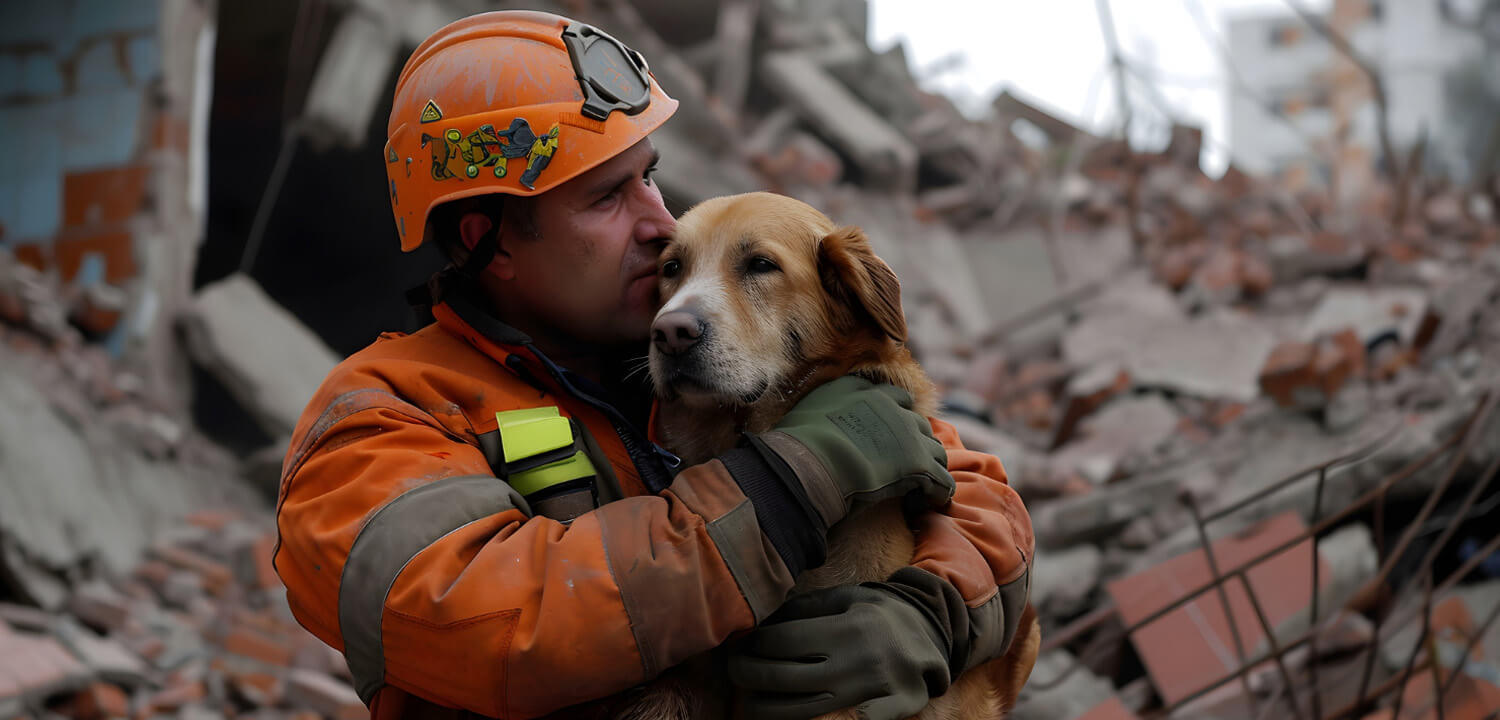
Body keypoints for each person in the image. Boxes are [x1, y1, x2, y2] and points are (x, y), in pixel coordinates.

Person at [274, 10, 1033, 720]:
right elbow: (485, 620)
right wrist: (785, 488)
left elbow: (976, 498)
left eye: (649, 175)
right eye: (608, 198)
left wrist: (934, 608)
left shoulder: (718, 357)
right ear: (494, 241)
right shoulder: (383, 412)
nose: (661, 222)